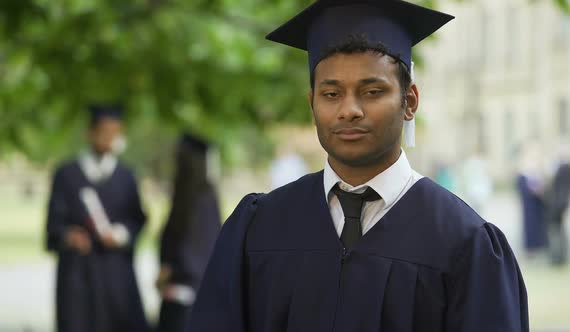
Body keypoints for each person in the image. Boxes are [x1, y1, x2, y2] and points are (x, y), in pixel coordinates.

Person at [193, 0, 529, 331]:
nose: (349, 110)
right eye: (331, 94)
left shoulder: (464, 242)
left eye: (371, 91)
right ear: (312, 104)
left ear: (409, 101)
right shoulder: (259, 227)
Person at [45, 104, 149, 332]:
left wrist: (121, 235)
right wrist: (68, 235)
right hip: (78, 274)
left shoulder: (126, 176)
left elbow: (138, 219)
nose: (110, 137)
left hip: (116, 272)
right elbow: (53, 224)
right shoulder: (67, 174)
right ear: (90, 132)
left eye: (116, 132)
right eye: (105, 131)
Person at [156, 133, 222, 332]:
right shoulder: (209, 198)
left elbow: (180, 249)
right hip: (202, 297)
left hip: (181, 296)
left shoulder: (188, 202)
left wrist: (168, 270)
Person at [544, 142, 570, 266]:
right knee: (560, 229)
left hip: (558, 204)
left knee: (555, 230)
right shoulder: (566, 167)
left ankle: (557, 257)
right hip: (561, 204)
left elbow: (559, 188)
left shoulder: (565, 167)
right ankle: (560, 256)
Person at [516, 143, 547, 256]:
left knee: (537, 225)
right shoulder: (525, 168)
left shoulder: (537, 168)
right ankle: (530, 248)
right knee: (529, 225)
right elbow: (521, 186)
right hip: (528, 203)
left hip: (537, 203)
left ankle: (538, 246)